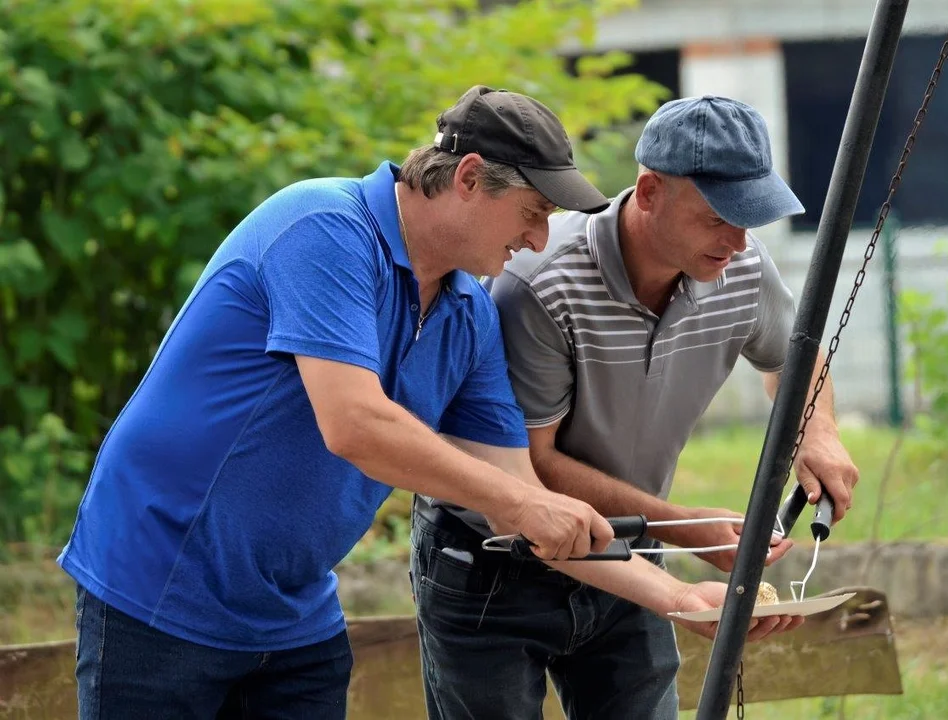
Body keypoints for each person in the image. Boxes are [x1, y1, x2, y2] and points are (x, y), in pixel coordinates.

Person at [56, 85, 739, 720]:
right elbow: (354, 425)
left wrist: (679, 598)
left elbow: (523, 499)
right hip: (158, 588)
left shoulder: (469, 315)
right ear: (469, 178)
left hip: (293, 613)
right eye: (533, 214)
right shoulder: (323, 229)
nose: (538, 240)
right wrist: (517, 503)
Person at [411, 95, 860, 719]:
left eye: (749, 219)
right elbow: (530, 471)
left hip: (630, 550)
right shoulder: (541, 284)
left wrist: (819, 431)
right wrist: (679, 524)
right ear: (649, 192)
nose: (736, 241)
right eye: (717, 218)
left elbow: (793, 358)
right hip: (494, 559)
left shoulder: (740, 266)